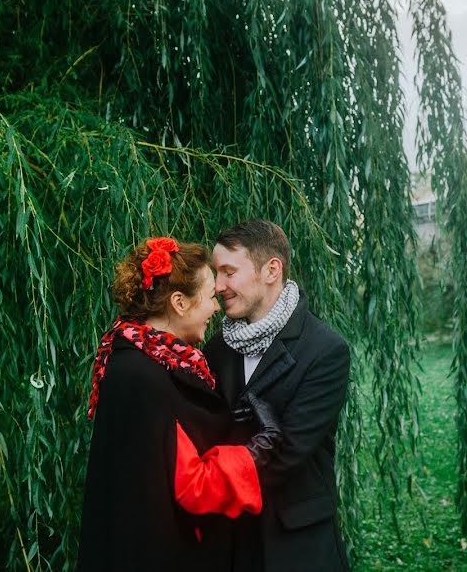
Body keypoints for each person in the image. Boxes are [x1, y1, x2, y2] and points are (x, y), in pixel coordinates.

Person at [77, 237, 283, 571]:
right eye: (208, 298)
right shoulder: (146, 377)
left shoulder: (139, 359)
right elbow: (193, 486)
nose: (216, 308)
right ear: (180, 303)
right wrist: (257, 450)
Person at [203, 220, 352, 572]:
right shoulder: (215, 349)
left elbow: (289, 452)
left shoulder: (325, 350)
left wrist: (206, 486)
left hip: (294, 543)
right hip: (227, 539)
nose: (217, 286)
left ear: (272, 270)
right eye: (215, 273)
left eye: (228, 272)